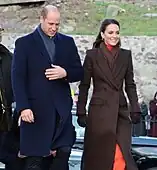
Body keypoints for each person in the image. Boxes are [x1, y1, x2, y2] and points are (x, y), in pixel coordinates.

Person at [11, 5, 83, 170]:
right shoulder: (24, 43)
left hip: (61, 113)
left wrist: (64, 72)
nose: (54, 28)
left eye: (57, 24)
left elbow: (79, 72)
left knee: (63, 155)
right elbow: (18, 77)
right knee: (34, 162)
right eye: (50, 24)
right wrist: (23, 107)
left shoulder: (67, 42)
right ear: (42, 19)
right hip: (35, 113)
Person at [76, 19, 141, 170]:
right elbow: (84, 85)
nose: (114, 36)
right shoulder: (92, 55)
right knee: (99, 158)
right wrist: (81, 111)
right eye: (110, 32)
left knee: (121, 155)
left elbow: (130, 84)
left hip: (121, 112)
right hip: (99, 114)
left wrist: (135, 108)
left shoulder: (126, 55)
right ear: (102, 34)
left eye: (117, 32)